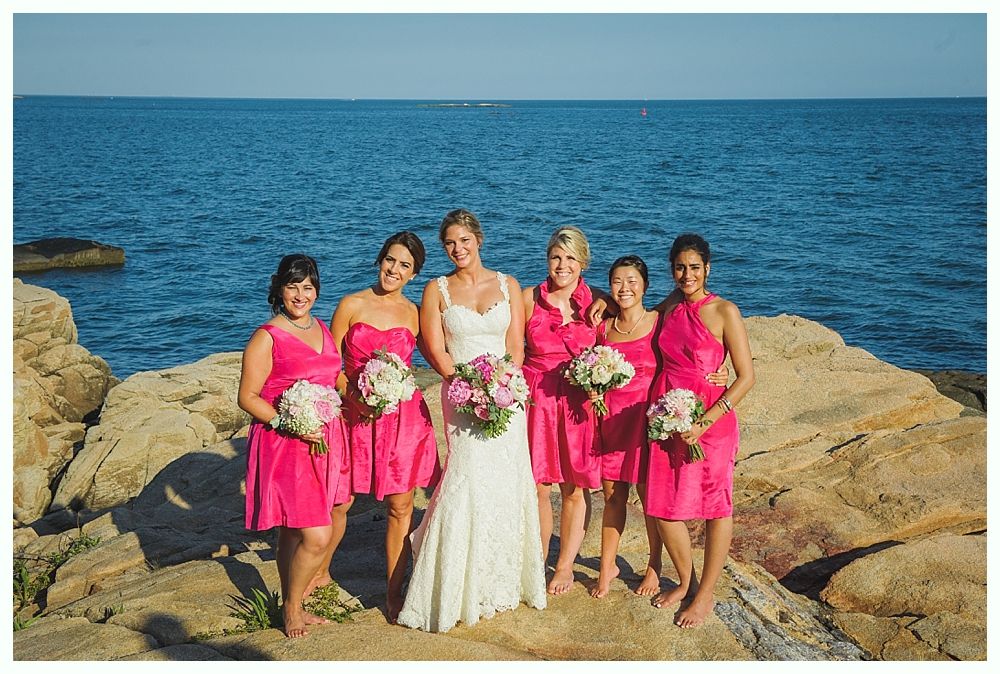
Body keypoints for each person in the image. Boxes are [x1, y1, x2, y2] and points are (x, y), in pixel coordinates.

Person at [397, 208, 546, 632]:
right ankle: (454, 587)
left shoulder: (508, 284)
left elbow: (516, 345)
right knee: (465, 478)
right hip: (461, 397)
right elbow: (436, 347)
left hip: (507, 397)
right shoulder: (436, 290)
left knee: (507, 480)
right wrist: (469, 385)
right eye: (450, 243)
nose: (458, 249)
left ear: (479, 239)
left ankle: (504, 581)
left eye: (464, 240)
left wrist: (502, 383)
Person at [238, 254, 353, 638]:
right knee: (316, 535)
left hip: (326, 441)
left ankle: (292, 600)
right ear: (279, 289)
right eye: (293, 286)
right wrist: (289, 422)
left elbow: (332, 377)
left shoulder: (321, 327)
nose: (301, 295)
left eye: (307, 287)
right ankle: (292, 607)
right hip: (286, 443)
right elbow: (248, 396)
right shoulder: (267, 336)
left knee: (291, 531)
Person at [330, 231, 441, 624]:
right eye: (391, 260)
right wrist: (355, 395)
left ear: (414, 274)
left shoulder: (413, 313)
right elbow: (333, 366)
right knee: (339, 501)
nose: (395, 270)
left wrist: (479, 380)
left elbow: (439, 354)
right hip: (356, 416)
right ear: (380, 260)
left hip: (403, 422)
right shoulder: (351, 304)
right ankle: (318, 576)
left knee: (400, 507)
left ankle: (394, 593)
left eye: (405, 266)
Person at [646, 234, 755, 628]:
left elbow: (745, 377)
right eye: (679, 267)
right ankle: (686, 581)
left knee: (714, 507)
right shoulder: (672, 305)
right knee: (661, 506)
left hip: (711, 421)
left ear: (707, 268)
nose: (686, 274)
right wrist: (604, 301)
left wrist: (705, 420)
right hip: (667, 417)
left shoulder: (725, 311)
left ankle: (705, 595)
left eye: (694, 267)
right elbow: (639, 319)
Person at [521, 226, 601, 595]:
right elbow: (505, 346)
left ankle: (565, 566)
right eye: (556, 256)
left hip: (577, 404)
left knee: (573, 487)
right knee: (537, 486)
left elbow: (635, 329)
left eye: (570, 258)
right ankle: (536, 560)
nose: (562, 265)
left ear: (583, 262)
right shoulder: (526, 299)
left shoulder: (599, 303)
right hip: (536, 399)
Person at [586, 255, 664, 599]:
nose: (624, 288)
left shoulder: (659, 321)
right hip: (611, 421)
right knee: (613, 497)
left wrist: (720, 367)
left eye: (632, 281)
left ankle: (654, 566)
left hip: (646, 421)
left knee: (650, 499)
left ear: (645, 284)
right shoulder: (603, 327)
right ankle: (606, 568)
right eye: (617, 281)